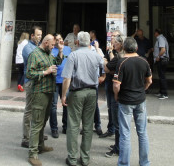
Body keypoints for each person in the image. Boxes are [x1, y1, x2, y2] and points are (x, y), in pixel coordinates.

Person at [61, 31, 105, 166]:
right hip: (92, 92)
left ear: (77, 42)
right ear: (89, 42)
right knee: (88, 125)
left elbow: (67, 78)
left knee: (73, 125)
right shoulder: (96, 56)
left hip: (77, 92)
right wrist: (100, 78)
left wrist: (64, 95)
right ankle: (85, 158)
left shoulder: (73, 55)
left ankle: (72, 158)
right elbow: (104, 68)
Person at [25, 34, 64, 166]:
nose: (53, 47)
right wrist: (45, 72)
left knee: (43, 121)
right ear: (46, 43)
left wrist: (60, 51)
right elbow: (29, 73)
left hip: (49, 92)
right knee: (37, 123)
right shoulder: (34, 54)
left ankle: (40, 146)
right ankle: (33, 153)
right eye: (52, 45)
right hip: (39, 92)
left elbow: (57, 62)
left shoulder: (48, 54)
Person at [113, 37, 152, 166]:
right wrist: (143, 89)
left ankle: (124, 163)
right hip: (140, 100)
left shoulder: (122, 62)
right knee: (142, 133)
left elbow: (116, 85)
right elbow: (149, 80)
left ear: (124, 48)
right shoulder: (144, 61)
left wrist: (116, 96)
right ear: (136, 48)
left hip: (125, 101)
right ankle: (145, 162)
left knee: (125, 134)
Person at [21, 26, 43, 148]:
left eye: (41, 35)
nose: (39, 37)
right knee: (29, 110)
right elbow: (38, 61)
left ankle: (36, 135)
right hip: (30, 82)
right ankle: (26, 138)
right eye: (38, 35)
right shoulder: (27, 48)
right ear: (32, 36)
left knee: (38, 109)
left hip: (39, 82)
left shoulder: (37, 47)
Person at [103, 33, 124, 158]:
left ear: (121, 44)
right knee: (114, 115)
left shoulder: (119, 56)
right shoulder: (118, 55)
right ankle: (118, 145)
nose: (113, 43)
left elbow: (107, 67)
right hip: (111, 86)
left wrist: (106, 60)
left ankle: (118, 148)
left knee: (118, 122)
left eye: (115, 41)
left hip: (117, 91)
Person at [49, 34, 71, 138]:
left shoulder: (68, 49)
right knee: (53, 105)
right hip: (54, 80)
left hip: (65, 80)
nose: (59, 41)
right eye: (57, 40)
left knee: (66, 103)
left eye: (60, 39)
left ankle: (66, 126)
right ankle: (54, 128)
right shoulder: (52, 50)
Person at [153, 29, 169, 99]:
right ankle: (161, 91)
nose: (154, 34)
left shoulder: (161, 39)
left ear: (157, 33)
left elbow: (163, 50)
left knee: (162, 77)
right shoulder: (161, 38)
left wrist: (158, 56)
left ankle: (164, 93)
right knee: (161, 76)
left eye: (155, 33)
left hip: (162, 59)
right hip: (161, 59)